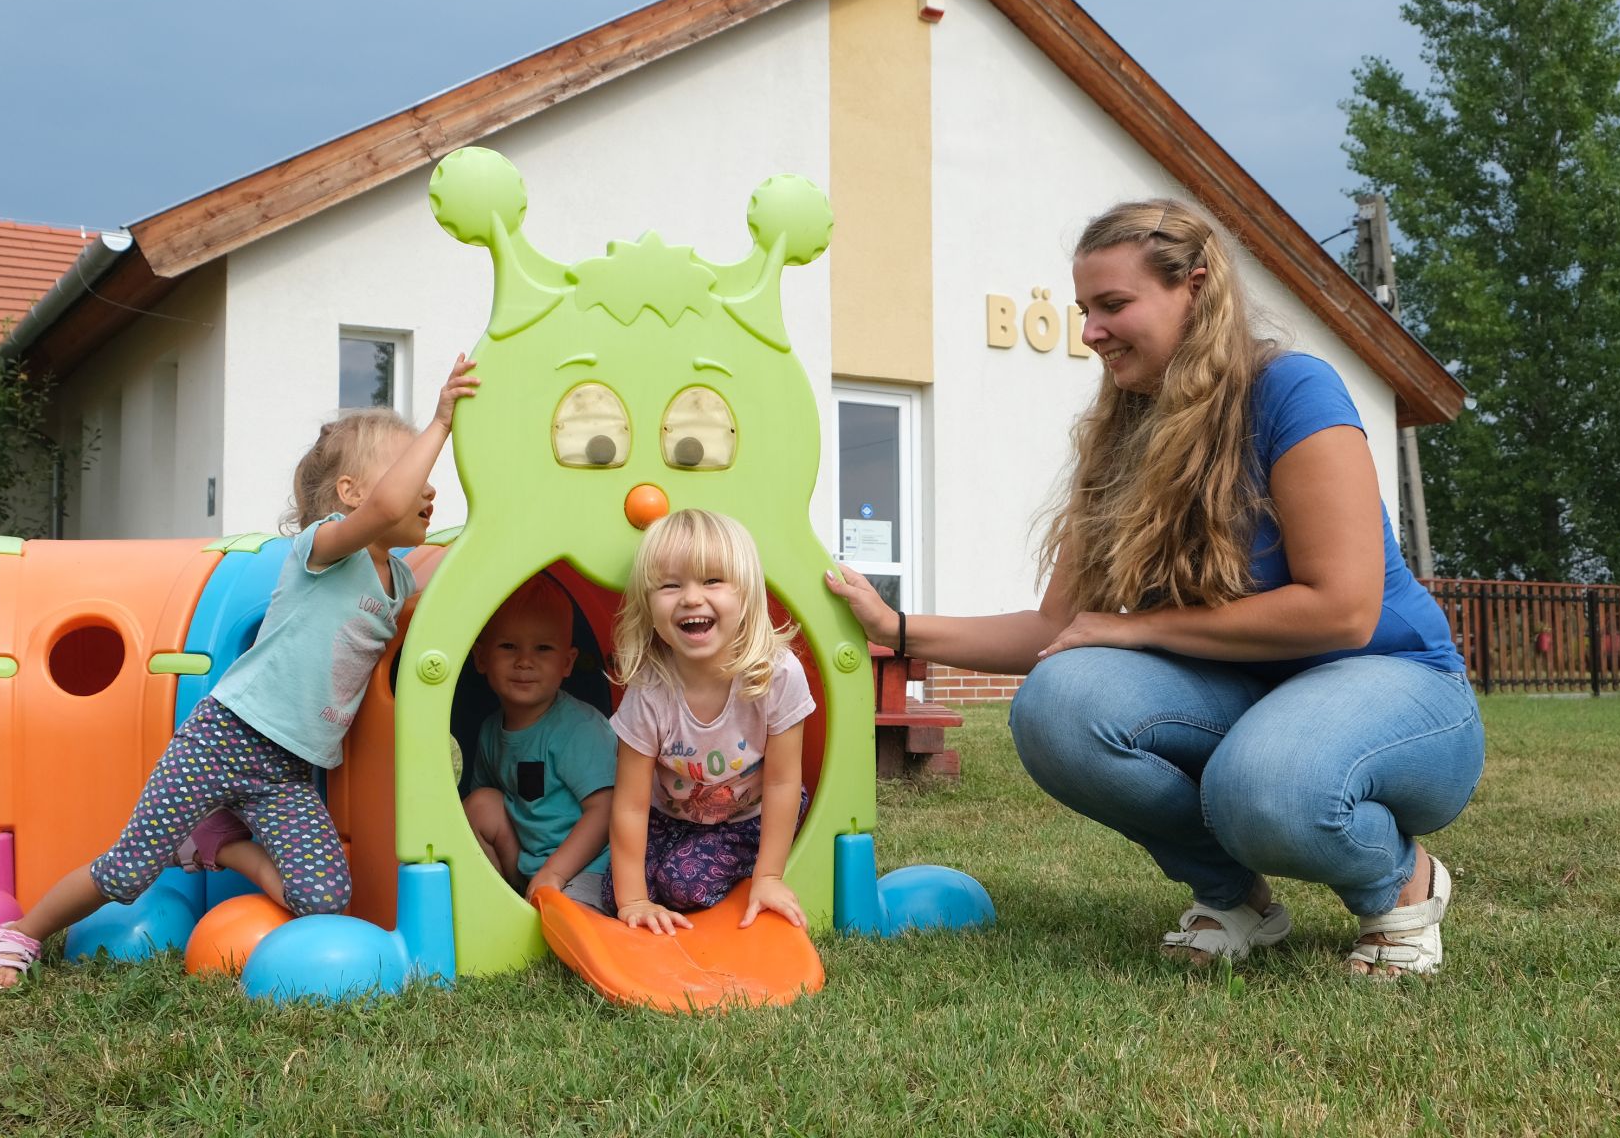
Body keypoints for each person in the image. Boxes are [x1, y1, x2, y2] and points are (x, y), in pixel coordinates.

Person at [827, 198, 1483, 979]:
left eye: (1113, 305)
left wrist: (1138, 627)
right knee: (1058, 706)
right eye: (1084, 310)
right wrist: (895, 627)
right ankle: (1234, 898)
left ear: (1194, 290)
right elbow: (1056, 630)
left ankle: (1399, 884)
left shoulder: (1293, 390)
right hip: (1248, 698)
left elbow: (1342, 610)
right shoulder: (1123, 434)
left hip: (1396, 685)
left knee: (1265, 784)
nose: (1091, 331)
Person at [0, 354, 480, 988]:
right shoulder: (325, 549)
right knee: (129, 871)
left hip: (289, 768)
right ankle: (18, 937)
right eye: (411, 472)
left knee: (323, 897)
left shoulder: (399, 579)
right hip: (224, 739)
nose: (427, 489)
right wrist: (440, 422)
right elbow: (388, 506)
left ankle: (219, 843)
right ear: (352, 494)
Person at [603, 508, 814, 935]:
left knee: (681, 882)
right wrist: (633, 900)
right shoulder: (650, 690)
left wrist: (769, 877)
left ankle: (740, 870)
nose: (691, 598)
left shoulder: (776, 675)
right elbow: (630, 804)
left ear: (746, 594)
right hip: (669, 816)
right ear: (648, 604)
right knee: (615, 892)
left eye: (712, 580)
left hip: (750, 815)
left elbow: (782, 782)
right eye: (670, 585)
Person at [464, 574, 617, 912]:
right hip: (529, 862)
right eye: (508, 646)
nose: (524, 661)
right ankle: (503, 901)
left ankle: (548, 903)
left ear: (567, 662)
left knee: (566, 919)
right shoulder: (491, 731)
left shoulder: (578, 727)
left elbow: (606, 811)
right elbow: (485, 811)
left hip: (591, 865)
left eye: (543, 648)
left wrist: (555, 873)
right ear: (481, 658)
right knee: (479, 805)